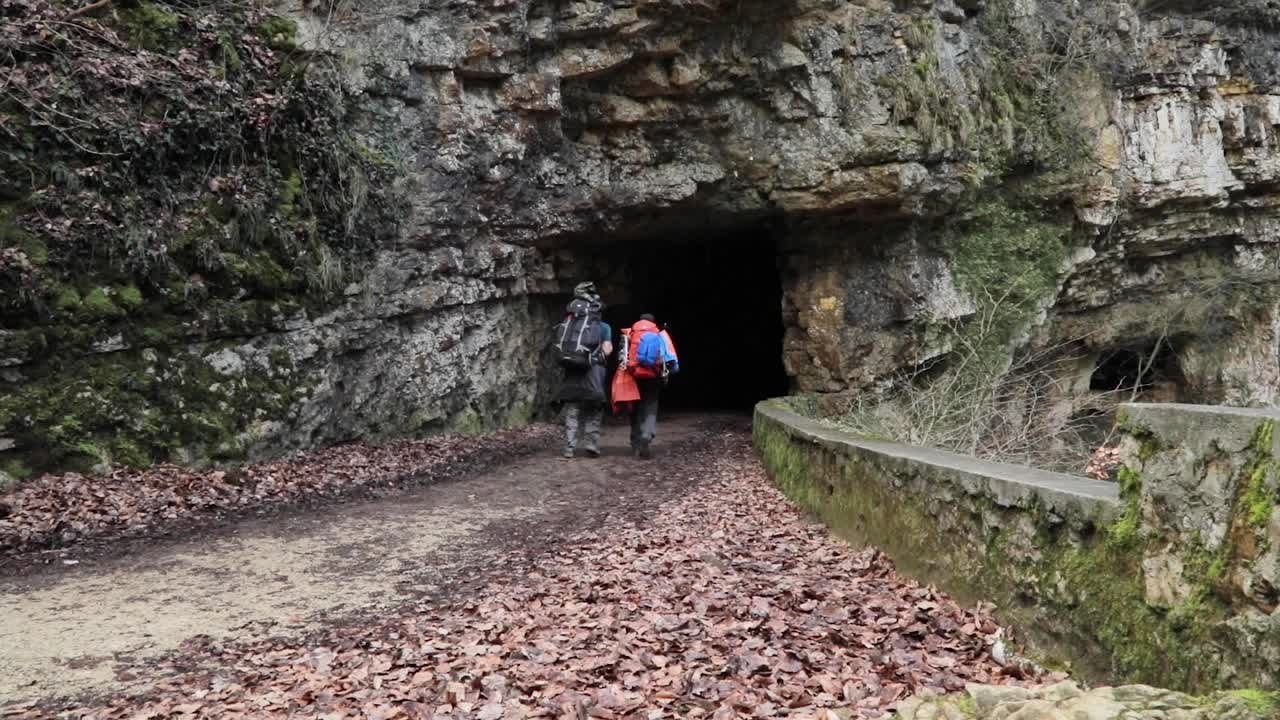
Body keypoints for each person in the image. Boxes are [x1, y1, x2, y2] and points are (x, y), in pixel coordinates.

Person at [552, 282, 612, 459]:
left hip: (572, 371)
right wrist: (599, 356)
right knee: (594, 407)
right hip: (593, 372)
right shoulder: (603, 327)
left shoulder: (567, 324)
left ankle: (569, 447)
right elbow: (607, 349)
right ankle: (591, 444)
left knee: (573, 409)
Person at [613, 313, 678, 458]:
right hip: (653, 376)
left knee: (635, 408)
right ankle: (647, 434)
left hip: (633, 375)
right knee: (650, 405)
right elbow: (669, 357)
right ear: (653, 322)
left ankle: (636, 443)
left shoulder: (628, 334)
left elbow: (621, 357)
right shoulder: (660, 334)